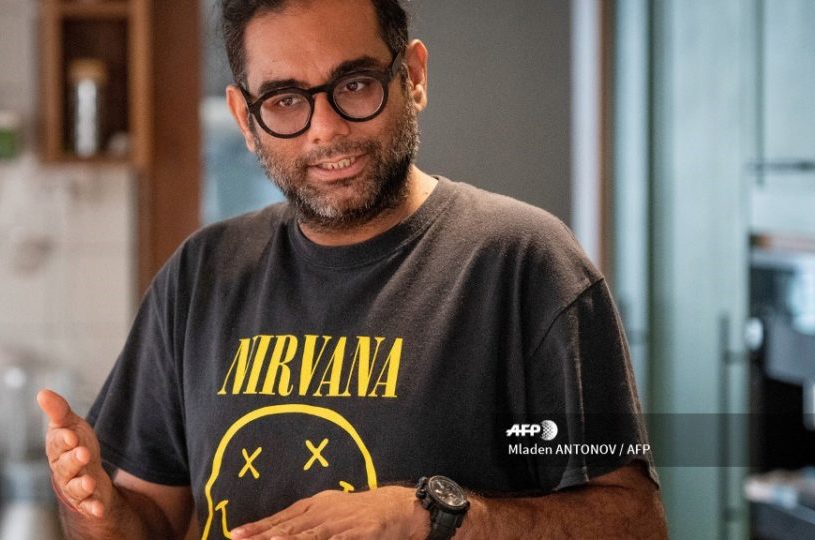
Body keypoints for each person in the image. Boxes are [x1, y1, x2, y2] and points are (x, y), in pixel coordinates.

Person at [37, 0, 668, 538]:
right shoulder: (201, 274)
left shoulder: (522, 262)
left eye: (356, 84)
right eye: (286, 100)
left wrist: (432, 517)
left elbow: (632, 519)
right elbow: (150, 521)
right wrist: (94, 504)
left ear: (413, 76)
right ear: (245, 118)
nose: (327, 130)